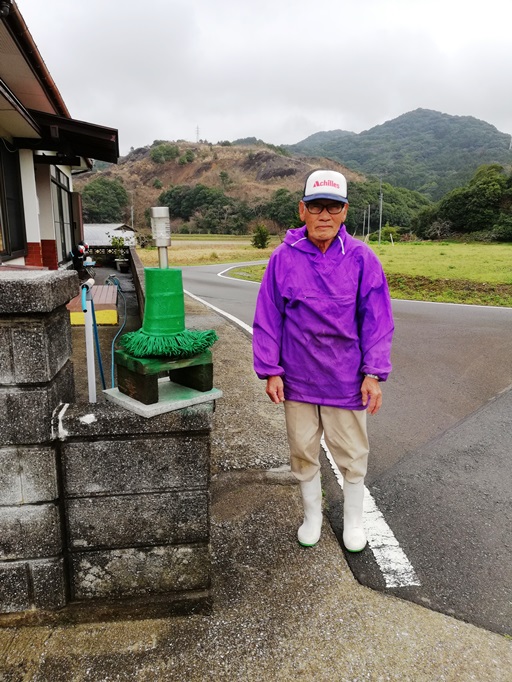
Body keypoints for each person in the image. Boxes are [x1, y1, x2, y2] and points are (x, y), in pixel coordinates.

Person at [253, 169, 394, 552]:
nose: (324, 215)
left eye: (333, 207)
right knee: (302, 450)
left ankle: (352, 523)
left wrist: (373, 373)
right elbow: (268, 317)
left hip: (346, 379)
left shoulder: (363, 258)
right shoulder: (283, 258)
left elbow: (377, 320)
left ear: (345, 212)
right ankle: (312, 517)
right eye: (316, 206)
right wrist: (270, 370)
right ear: (302, 210)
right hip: (297, 379)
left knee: (352, 454)